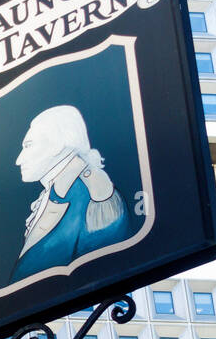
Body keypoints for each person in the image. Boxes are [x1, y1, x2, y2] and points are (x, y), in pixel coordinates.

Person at [11, 105, 132, 281]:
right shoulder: (58, 192)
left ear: (57, 145)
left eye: (28, 146)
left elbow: (106, 270)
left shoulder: (96, 196)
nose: (18, 160)